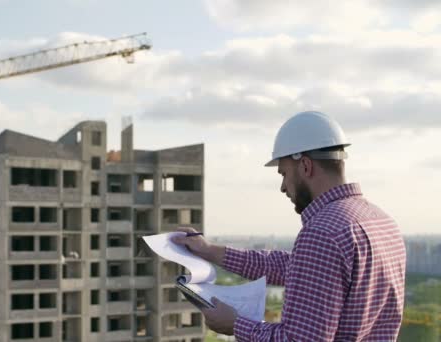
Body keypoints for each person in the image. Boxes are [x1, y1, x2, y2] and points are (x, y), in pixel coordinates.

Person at [173, 111, 406, 341]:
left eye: (284, 174)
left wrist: (236, 325)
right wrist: (210, 251)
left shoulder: (323, 232)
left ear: (305, 166)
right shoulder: (383, 223)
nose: (283, 187)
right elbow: (297, 268)